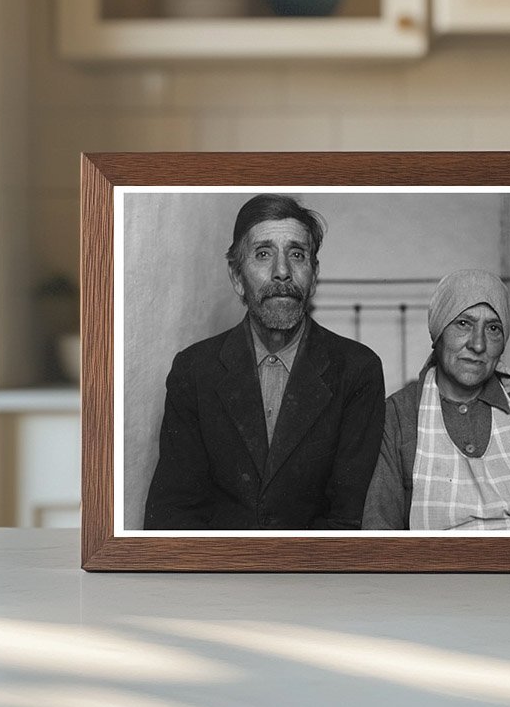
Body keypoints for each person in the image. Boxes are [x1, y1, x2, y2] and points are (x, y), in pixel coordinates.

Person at [144, 194, 385, 530]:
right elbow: (173, 513)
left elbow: (349, 516)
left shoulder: (357, 370)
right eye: (263, 254)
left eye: (297, 255)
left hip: (314, 575)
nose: (282, 272)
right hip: (219, 574)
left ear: (313, 276)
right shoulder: (195, 370)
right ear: (237, 277)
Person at [362, 269, 510, 531]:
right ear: (438, 333)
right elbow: (380, 531)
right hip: (439, 569)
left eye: (493, 328)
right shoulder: (398, 415)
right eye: (463, 324)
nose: (478, 344)